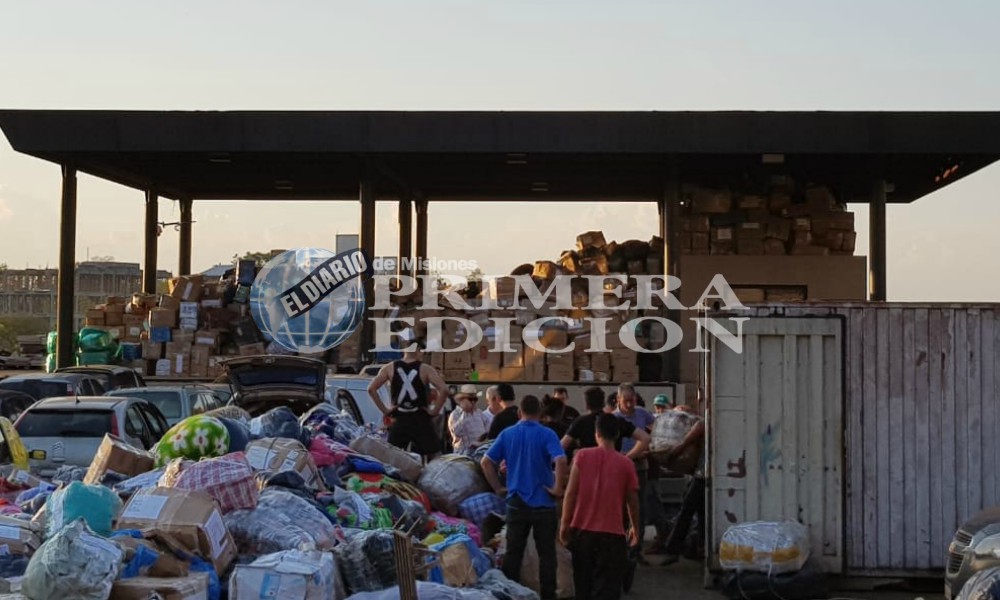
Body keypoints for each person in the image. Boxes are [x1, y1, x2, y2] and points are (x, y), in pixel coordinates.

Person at [482, 395, 568, 600]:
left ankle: (511, 593)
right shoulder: (547, 434)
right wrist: (557, 488)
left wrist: (497, 488)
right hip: (544, 504)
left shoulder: (507, 433)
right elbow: (561, 459)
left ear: (519, 413)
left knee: (513, 552)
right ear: (540, 413)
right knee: (547, 554)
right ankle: (548, 595)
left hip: (516, 501)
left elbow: (486, 461)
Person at [560, 413, 640, 600]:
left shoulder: (581, 457)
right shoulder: (626, 463)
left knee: (583, 585)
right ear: (618, 434)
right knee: (608, 589)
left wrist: (565, 524)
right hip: (613, 536)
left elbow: (570, 494)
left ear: (597, 434)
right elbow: (633, 501)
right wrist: (635, 528)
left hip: (582, 532)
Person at [367, 338, 449, 461]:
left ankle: (398, 477)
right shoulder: (425, 369)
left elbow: (371, 389)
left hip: (399, 417)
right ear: (419, 351)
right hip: (420, 417)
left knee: (393, 456)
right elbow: (444, 389)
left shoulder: (389, 368)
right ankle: (429, 478)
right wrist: (434, 411)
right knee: (433, 455)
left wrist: (385, 410)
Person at [613, 383, 656, 560]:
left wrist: (652, 447)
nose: (629, 405)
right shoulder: (613, 418)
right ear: (618, 400)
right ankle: (621, 547)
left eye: (632, 401)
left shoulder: (643, 414)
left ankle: (636, 549)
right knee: (621, 509)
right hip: (619, 468)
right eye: (626, 401)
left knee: (640, 508)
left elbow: (656, 431)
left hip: (639, 465)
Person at [660, 403, 707, 565]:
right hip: (713, 476)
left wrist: (668, 457)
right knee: (702, 512)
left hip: (702, 475)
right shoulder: (717, 423)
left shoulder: (703, 424)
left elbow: (684, 444)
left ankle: (672, 548)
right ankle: (701, 546)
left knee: (686, 511)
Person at [562, 387, 650, 462]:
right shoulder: (617, 420)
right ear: (603, 403)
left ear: (586, 405)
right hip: (613, 465)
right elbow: (645, 438)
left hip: (588, 466)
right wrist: (627, 458)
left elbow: (562, 445)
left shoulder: (580, 422)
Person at [448, 383, 491, 455]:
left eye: (475, 399)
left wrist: (482, 442)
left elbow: (488, 430)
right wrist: (465, 412)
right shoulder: (455, 414)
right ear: (462, 400)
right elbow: (456, 433)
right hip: (463, 454)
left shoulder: (479, 413)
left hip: (479, 451)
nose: (473, 402)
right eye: (470, 399)